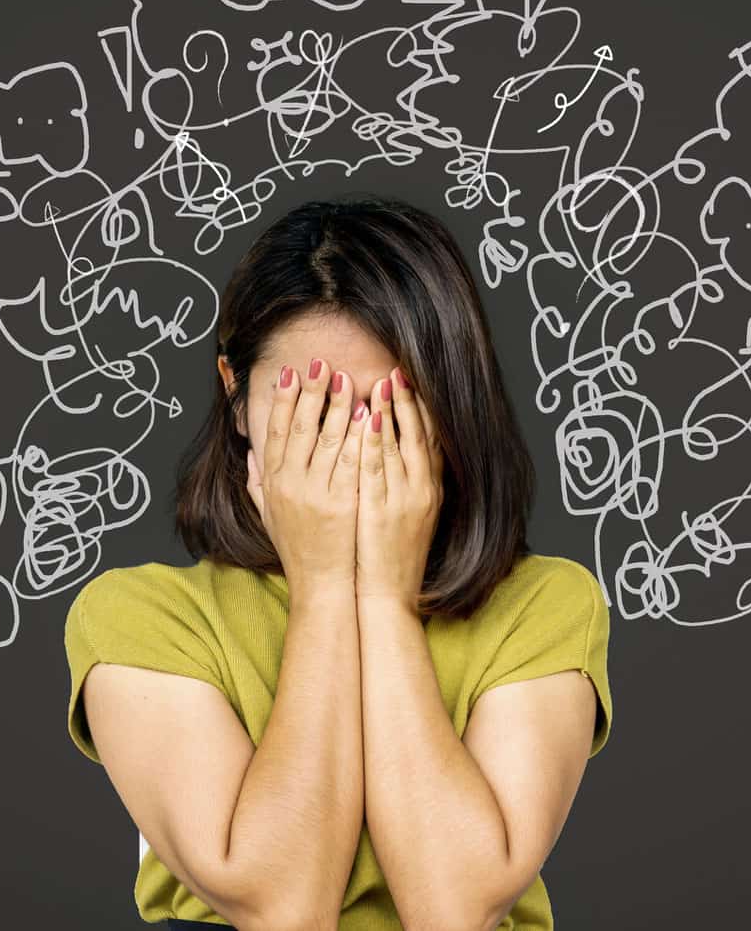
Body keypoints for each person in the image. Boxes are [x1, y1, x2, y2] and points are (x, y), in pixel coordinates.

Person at [64, 193, 614, 930]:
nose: (353, 449)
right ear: (236, 396)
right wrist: (325, 586)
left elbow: (457, 911)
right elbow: (281, 908)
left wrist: (383, 600)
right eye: (313, 411)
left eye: (389, 411)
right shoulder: (141, 619)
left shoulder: (545, 605)